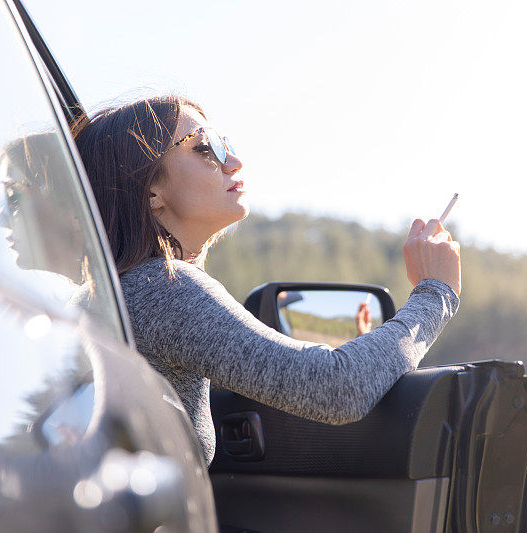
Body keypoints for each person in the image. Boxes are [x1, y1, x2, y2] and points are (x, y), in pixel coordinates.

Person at [71, 95, 462, 466]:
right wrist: (435, 292)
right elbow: (335, 390)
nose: (234, 161)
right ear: (152, 189)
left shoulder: (120, 295)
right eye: (205, 148)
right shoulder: (160, 289)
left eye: (226, 144)